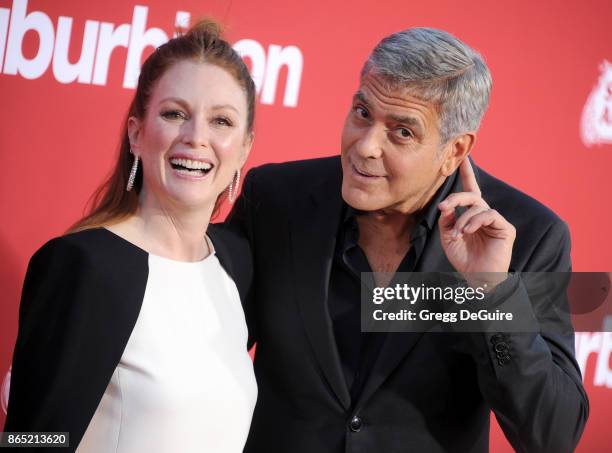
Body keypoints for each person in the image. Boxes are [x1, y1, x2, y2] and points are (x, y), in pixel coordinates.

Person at [227, 28, 589, 452]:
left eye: (402, 132)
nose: (365, 147)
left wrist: (493, 292)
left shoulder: (529, 235)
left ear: (454, 151)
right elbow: (204, 343)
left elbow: (553, 433)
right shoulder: (276, 199)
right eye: (362, 112)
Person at [4, 20, 257, 453]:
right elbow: (30, 439)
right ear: (137, 133)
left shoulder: (235, 263)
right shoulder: (83, 267)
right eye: (174, 114)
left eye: (221, 121)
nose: (196, 138)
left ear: (245, 149)